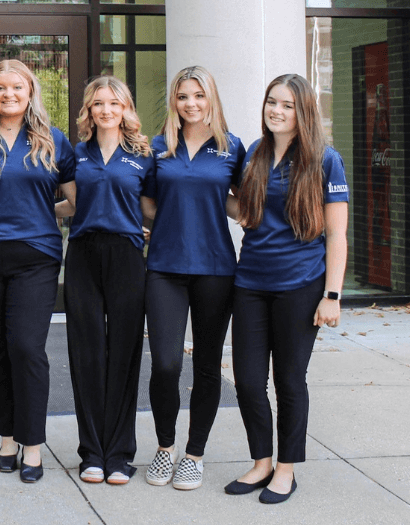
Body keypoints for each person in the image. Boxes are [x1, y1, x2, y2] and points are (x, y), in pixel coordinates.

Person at [224, 73, 347, 504]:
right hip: (251, 282)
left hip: (300, 284)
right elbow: (245, 210)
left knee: (289, 380)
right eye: (271, 102)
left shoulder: (325, 160)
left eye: (287, 105)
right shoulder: (254, 155)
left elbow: (336, 235)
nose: (276, 110)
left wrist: (332, 295)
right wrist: (207, 190)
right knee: (248, 381)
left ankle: (286, 468)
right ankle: (261, 461)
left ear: (303, 111)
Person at [0, 59, 75, 484]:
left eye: (16, 88)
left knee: (27, 347)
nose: (8, 95)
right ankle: (6, 438)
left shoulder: (52, 140)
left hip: (36, 256)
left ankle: (33, 444)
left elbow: (73, 203)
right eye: (0, 88)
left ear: (30, 92)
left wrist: (40, 210)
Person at [140, 66, 244, 491]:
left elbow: (241, 203)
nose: (191, 104)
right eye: (183, 96)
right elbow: (146, 201)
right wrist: (167, 223)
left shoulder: (231, 148)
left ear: (211, 99)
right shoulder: (159, 146)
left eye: (199, 95)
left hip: (216, 269)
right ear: (174, 102)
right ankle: (165, 448)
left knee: (206, 366)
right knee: (165, 364)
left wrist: (261, 219)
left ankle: (194, 454)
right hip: (164, 267)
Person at [62, 75, 155, 486]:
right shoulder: (74, 154)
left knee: (124, 352)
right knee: (86, 354)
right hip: (83, 254)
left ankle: (119, 454)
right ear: (88, 110)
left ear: (125, 109)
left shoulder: (143, 156)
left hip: (126, 256)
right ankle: (91, 454)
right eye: (98, 103)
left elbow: (152, 207)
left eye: (113, 104)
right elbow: (71, 203)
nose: (105, 110)